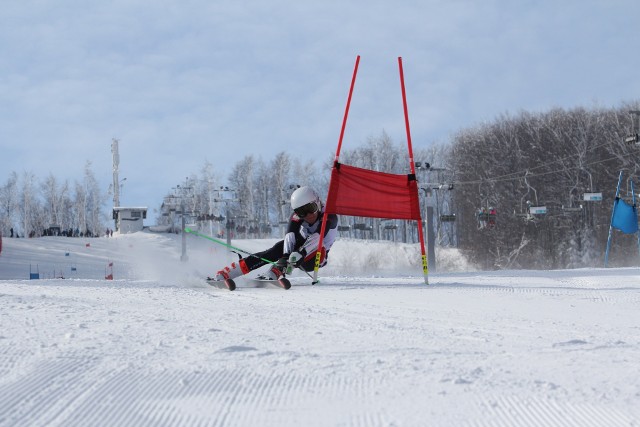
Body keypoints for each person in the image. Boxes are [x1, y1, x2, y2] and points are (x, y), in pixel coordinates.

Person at [213, 186, 339, 282]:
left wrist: (301, 253)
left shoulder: (329, 215)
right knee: (277, 248)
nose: (308, 215)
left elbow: (318, 237)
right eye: (301, 212)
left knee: (307, 250)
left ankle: (277, 270)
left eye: (310, 209)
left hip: (316, 257)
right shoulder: (298, 217)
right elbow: (290, 236)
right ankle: (231, 272)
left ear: (317, 202)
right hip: (298, 252)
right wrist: (285, 256)